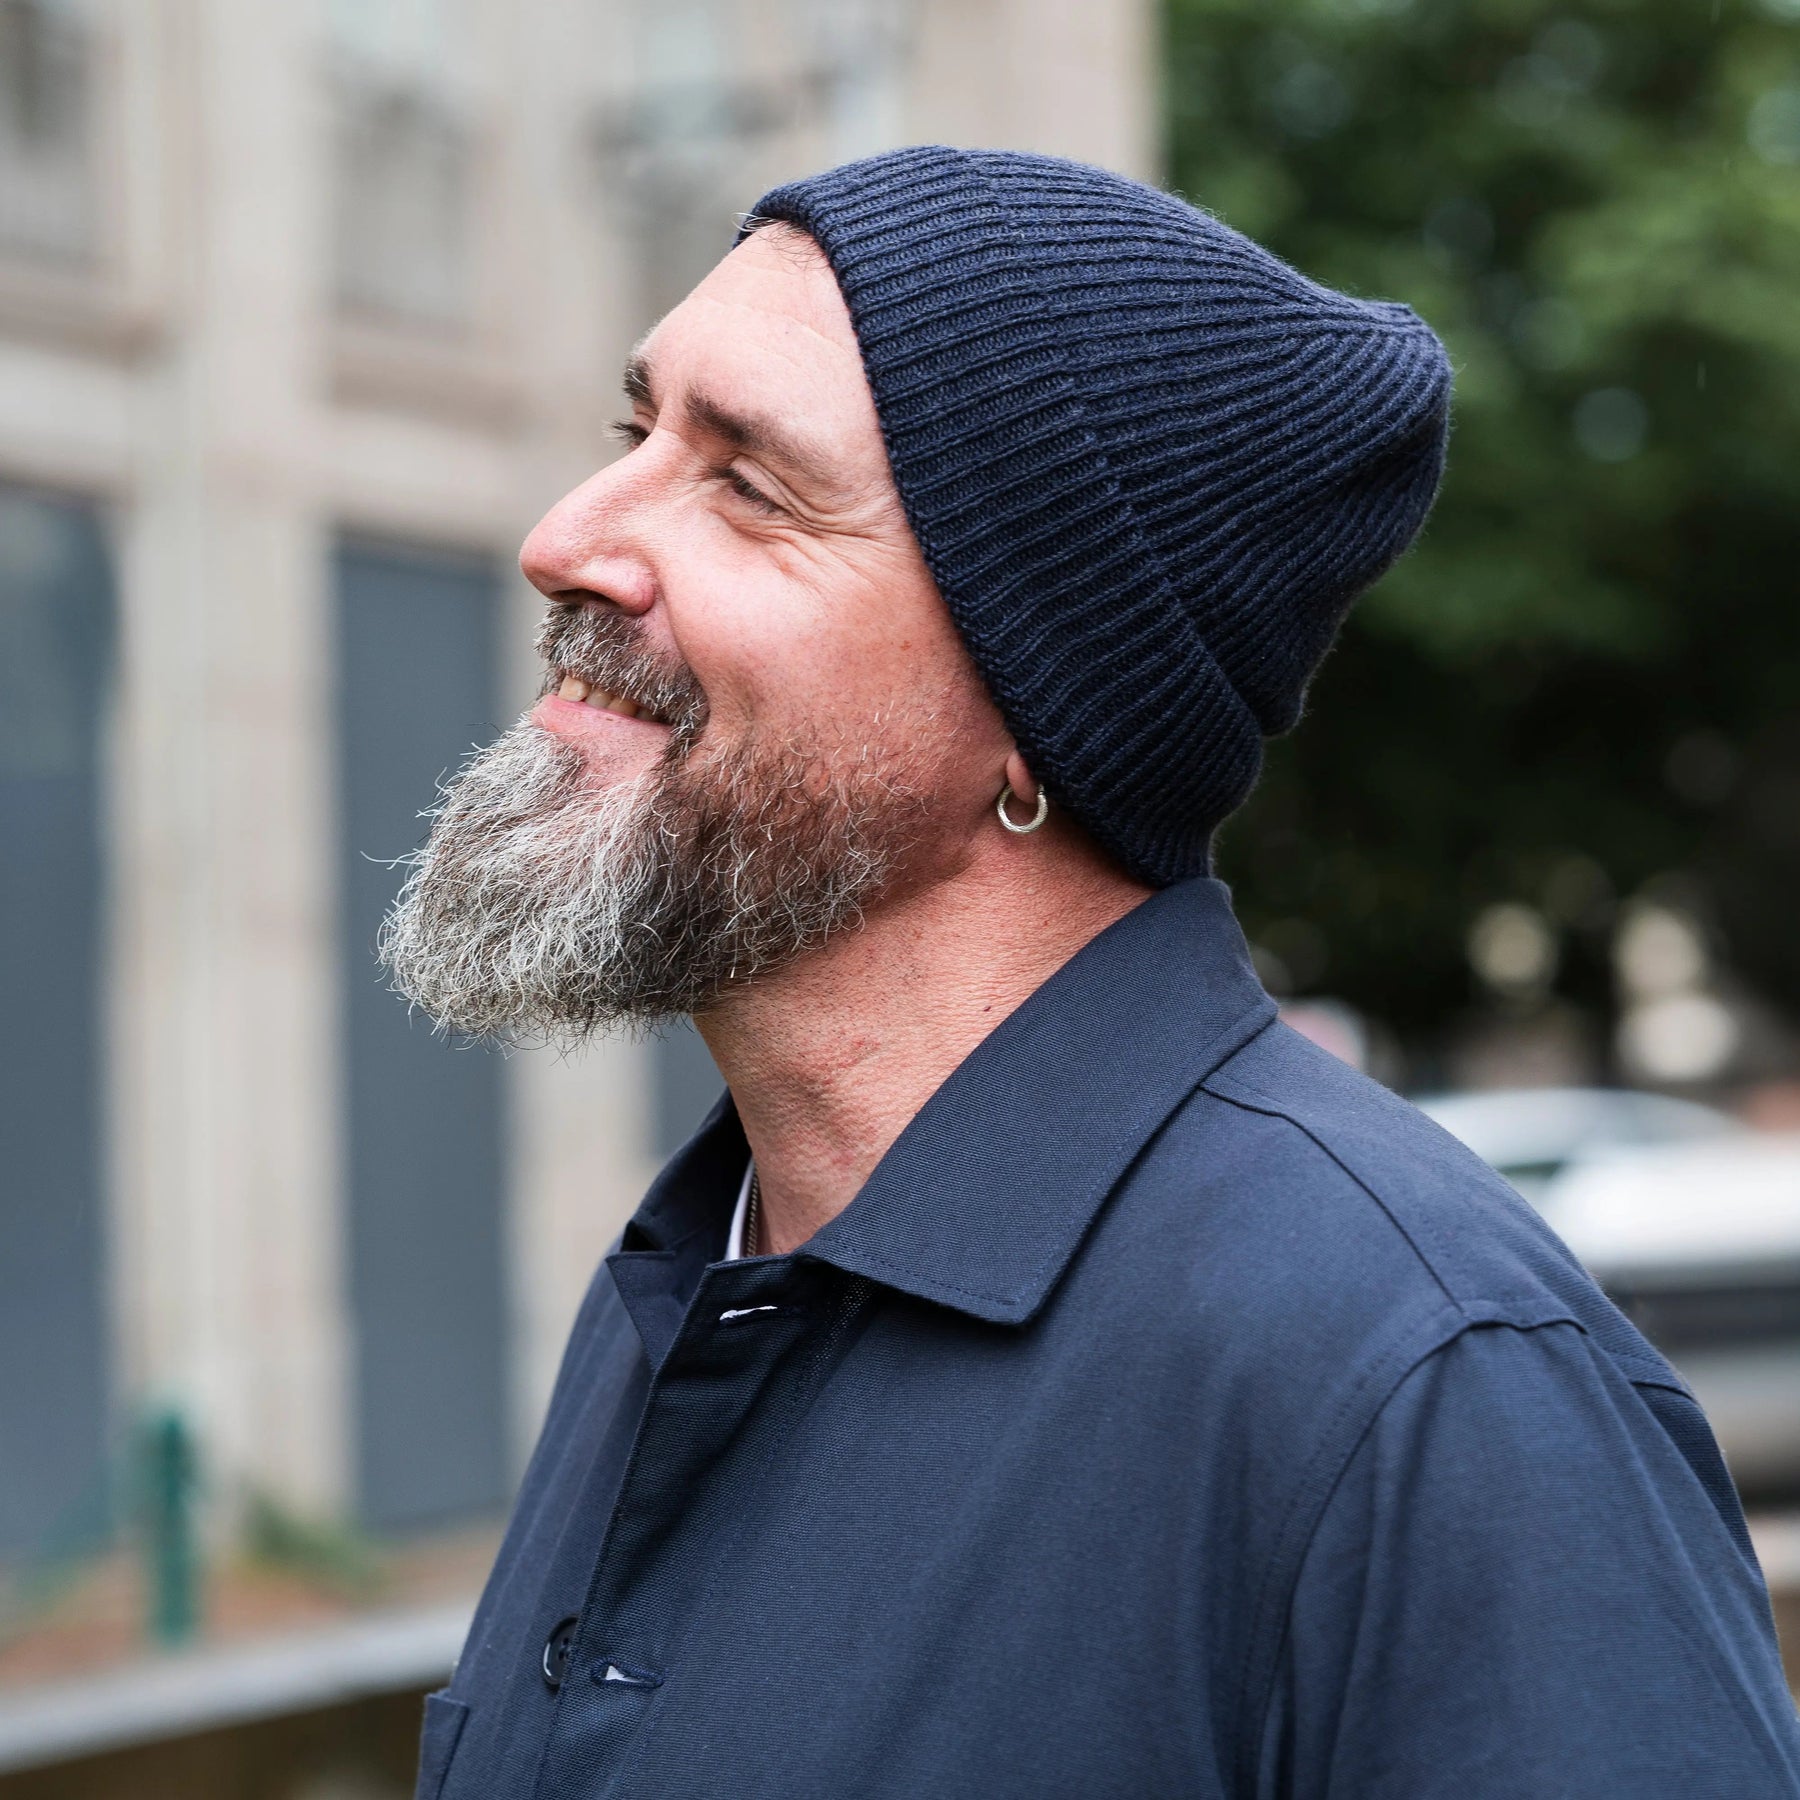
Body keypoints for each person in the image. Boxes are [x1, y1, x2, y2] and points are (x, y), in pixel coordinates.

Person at [382, 147, 1800, 1799]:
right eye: (637, 434)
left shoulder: (1424, 1386)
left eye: (750, 485)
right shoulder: (691, 1286)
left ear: (1038, 710)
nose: (567, 537)